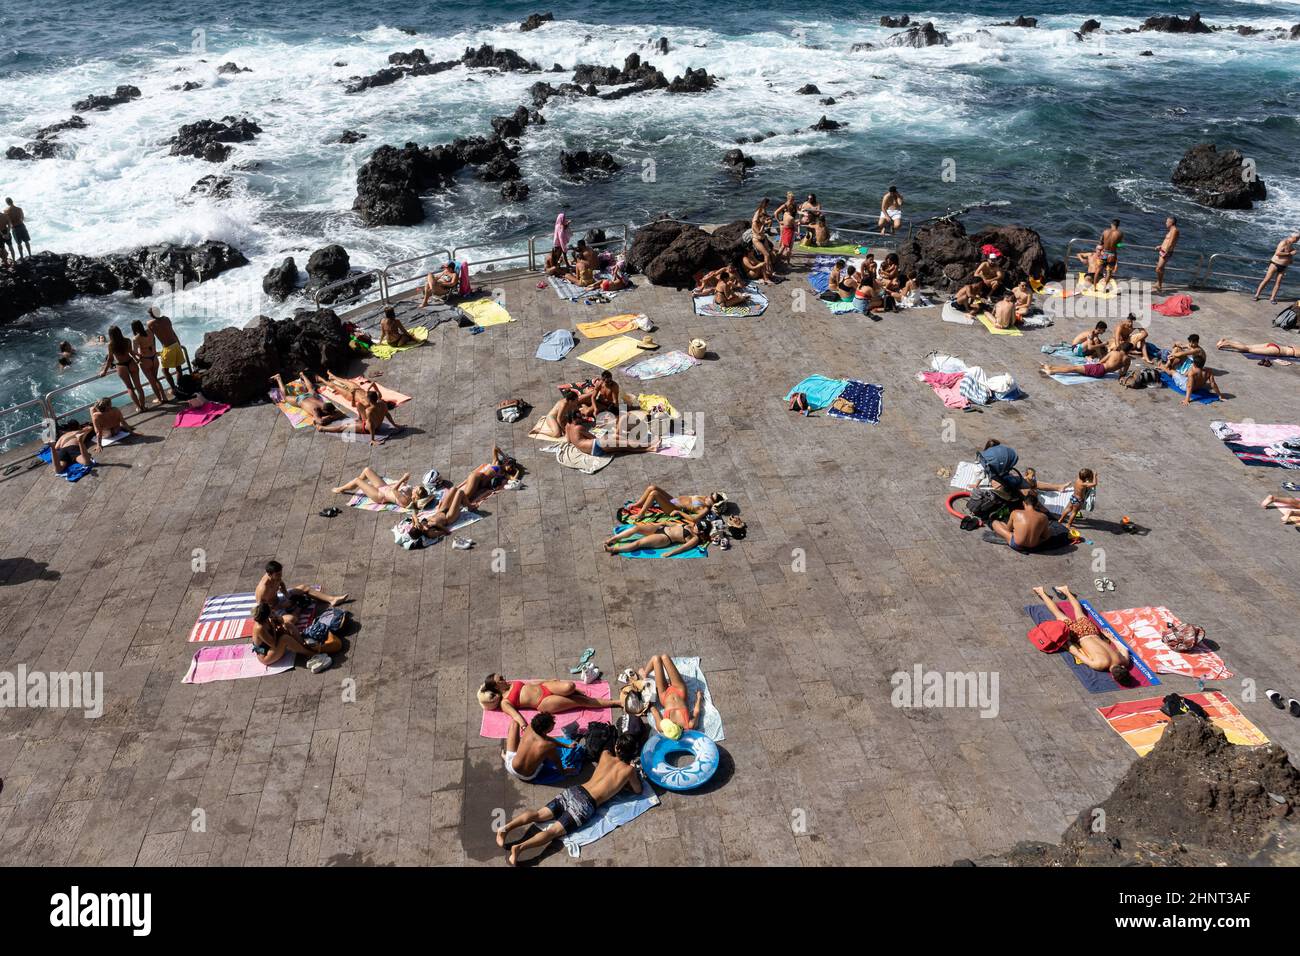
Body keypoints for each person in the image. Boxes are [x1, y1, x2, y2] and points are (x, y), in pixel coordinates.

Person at [495, 733, 641, 865]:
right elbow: (638, 790)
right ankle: (519, 848)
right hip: (585, 805)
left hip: (575, 791)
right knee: (552, 832)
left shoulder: (605, 754)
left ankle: (505, 828)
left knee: (539, 814)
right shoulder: (629, 770)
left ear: (617, 747)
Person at [1032, 585, 1131, 679]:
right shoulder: (1099, 665)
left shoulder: (1124, 661)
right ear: (1113, 676)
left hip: (1092, 631)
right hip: (1078, 635)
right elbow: (1077, 653)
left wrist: (1110, 637)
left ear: (1123, 668)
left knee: (1078, 611)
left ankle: (1066, 590)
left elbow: (1123, 648)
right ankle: (1041, 591)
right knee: (1057, 613)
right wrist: (1067, 642)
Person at [478, 674, 621, 727]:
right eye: (500, 679)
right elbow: (515, 715)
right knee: (580, 701)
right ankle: (615, 703)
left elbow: (532, 683)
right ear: (497, 686)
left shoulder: (511, 683)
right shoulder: (504, 702)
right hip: (543, 702)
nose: (503, 677)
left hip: (544, 687)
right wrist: (524, 726)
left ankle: (574, 692)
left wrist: (548, 680)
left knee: (570, 686)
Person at [254, 560, 347, 626]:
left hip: (279, 600)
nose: (280, 576)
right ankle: (299, 606)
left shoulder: (276, 577)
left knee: (304, 588)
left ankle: (332, 600)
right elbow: (262, 611)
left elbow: (281, 583)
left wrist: (286, 594)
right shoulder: (262, 590)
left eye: (281, 574)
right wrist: (282, 606)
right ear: (269, 574)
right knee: (292, 620)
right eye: (278, 575)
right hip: (274, 609)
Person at [501, 712, 579, 782]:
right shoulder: (548, 745)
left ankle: (506, 757)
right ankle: (508, 757)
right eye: (552, 725)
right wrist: (564, 771)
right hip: (528, 777)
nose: (554, 724)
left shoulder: (530, 727)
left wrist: (566, 746)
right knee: (545, 756)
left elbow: (545, 737)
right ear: (544, 731)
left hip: (511, 767)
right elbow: (557, 762)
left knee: (514, 723)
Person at [637, 654, 703, 735]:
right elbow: (696, 711)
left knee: (656, 658)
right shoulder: (689, 726)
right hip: (679, 690)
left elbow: (654, 711)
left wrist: (646, 700)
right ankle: (645, 674)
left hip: (664, 695)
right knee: (665, 657)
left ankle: (644, 674)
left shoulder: (662, 728)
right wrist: (699, 698)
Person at [250, 601, 318, 667]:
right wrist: (273, 627)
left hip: (271, 646)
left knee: (288, 625)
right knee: (285, 639)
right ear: (266, 616)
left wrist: (277, 618)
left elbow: (282, 621)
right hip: (266, 655)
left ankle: (304, 644)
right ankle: (310, 653)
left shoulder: (266, 619)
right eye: (271, 611)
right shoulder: (260, 628)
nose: (272, 611)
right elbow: (273, 644)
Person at [98, 325, 147, 413]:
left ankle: (139, 408)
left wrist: (104, 371)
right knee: (138, 386)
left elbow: (110, 359)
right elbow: (131, 352)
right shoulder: (127, 340)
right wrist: (137, 359)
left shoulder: (111, 344)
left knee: (130, 388)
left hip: (121, 366)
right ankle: (143, 406)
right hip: (131, 363)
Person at [564, 413, 658, 458]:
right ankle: (650, 445)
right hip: (596, 444)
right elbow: (593, 437)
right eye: (579, 418)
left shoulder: (567, 426)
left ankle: (649, 448)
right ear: (574, 419)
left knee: (624, 447)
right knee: (626, 444)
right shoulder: (578, 427)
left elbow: (568, 440)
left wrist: (579, 441)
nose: (580, 419)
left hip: (592, 451)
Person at [270, 372, 346, 427]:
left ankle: (302, 375)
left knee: (310, 388)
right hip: (300, 400)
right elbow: (320, 422)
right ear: (324, 410)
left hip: (310, 396)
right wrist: (330, 417)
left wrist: (330, 416)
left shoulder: (325, 405)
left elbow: (339, 413)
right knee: (285, 397)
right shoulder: (316, 409)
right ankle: (278, 379)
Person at [331, 467, 430, 510]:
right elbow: (401, 487)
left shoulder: (406, 501)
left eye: (417, 489)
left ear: (415, 495)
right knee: (367, 470)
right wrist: (405, 481)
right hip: (384, 487)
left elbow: (394, 490)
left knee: (357, 480)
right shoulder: (411, 491)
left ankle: (341, 489)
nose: (416, 486)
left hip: (379, 496)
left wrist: (403, 478)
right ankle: (357, 484)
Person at [604, 518, 707, 556]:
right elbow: (669, 523)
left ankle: (613, 549)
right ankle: (612, 539)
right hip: (661, 528)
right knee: (636, 528)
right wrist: (658, 524)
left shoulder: (695, 539)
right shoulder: (690, 525)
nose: (696, 527)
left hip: (665, 537)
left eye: (699, 528)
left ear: (702, 531)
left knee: (638, 543)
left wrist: (671, 552)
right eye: (697, 525)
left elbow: (684, 547)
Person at [455, 446, 524, 500]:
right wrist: (505, 456)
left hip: (479, 484)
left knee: (466, 498)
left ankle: (449, 502)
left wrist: (517, 470)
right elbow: (495, 448)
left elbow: (514, 480)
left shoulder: (504, 474)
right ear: (506, 463)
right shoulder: (496, 463)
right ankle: (447, 504)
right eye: (511, 466)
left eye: (512, 468)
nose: (511, 468)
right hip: (477, 478)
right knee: (466, 495)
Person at [625, 485, 728, 521]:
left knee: (654, 494)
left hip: (673, 508)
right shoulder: (705, 498)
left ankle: (641, 514)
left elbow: (694, 519)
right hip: (673, 500)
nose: (708, 497)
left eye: (711, 498)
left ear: (715, 504)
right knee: (652, 487)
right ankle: (638, 504)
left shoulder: (705, 509)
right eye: (711, 494)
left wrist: (679, 513)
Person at [146, 306, 185, 396]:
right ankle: (180, 387)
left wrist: (154, 350)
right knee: (178, 368)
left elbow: (152, 338)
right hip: (176, 344)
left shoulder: (150, 324)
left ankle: (174, 389)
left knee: (165, 371)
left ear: (152, 315)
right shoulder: (166, 319)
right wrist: (179, 344)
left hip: (167, 348)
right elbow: (173, 332)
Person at [1040, 344, 1133, 379]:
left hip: (1099, 368)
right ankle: (1051, 367)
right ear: (1128, 351)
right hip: (1102, 372)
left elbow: (1101, 362)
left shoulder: (1114, 353)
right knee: (1074, 368)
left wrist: (1090, 360)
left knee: (1074, 368)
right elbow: (1123, 372)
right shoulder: (1127, 359)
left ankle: (1052, 371)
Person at [130, 319, 167, 404]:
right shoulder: (150, 332)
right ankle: (164, 397)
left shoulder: (136, 338)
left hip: (145, 360)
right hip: (154, 358)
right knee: (156, 379)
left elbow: (134, 351)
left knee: (152, 381)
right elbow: (153, 342)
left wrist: (138, 356)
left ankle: (159, 399)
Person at [1255, 233, 1298, 304]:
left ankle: (1272, 298)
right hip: (1275, 264)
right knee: (1266, 280)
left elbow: (1288, 254)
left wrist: (1290, 259)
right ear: (1293, 238)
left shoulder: (1291, 246)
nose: (1298, 240)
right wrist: (1290, 254)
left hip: (1283, 266)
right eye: (1298, 238)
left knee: (1278, 282)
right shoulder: (1283, 242)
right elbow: (1277, 253)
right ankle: (1256, 295)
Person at [1155, 216, 1179, 293]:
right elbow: (1166, 241)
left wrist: (1165, 252)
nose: (1166, 223)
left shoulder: (1175, 230)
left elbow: (1171, 243)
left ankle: (1159, 285)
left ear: (1171, 222)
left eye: (1167, 222)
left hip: (1166, 252)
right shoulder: (1171, 230)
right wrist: (1160, 246)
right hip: (1163, 250)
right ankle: (1158, 283)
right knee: (1159, 268)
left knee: (1159, 268)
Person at [1216, 337, 1299, 358]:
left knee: (1247, 346)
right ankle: (1228, 343)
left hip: (1273, 345)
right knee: (1248, 349)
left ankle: (1227, 342)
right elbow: (1297, 355)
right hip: (1275, 350)